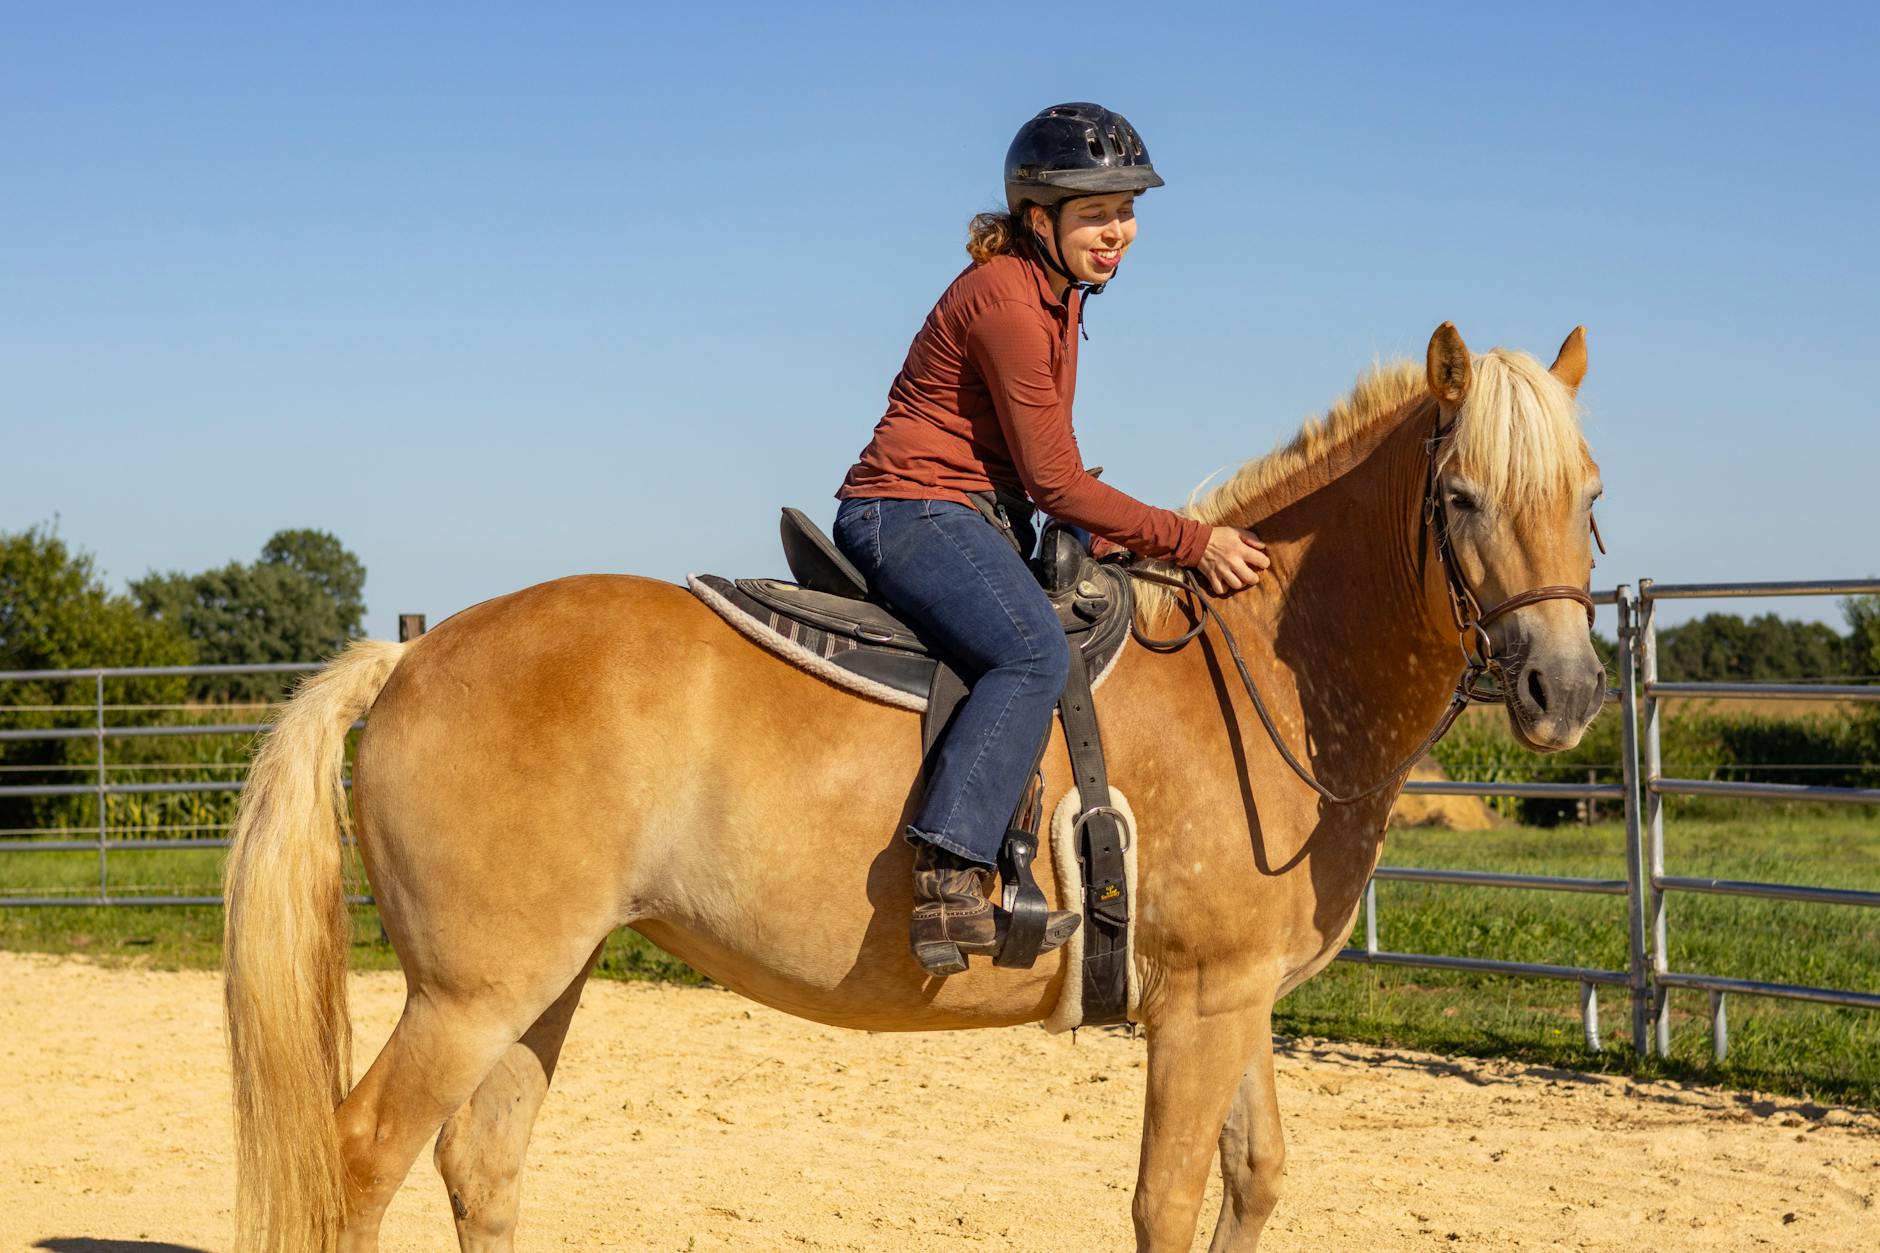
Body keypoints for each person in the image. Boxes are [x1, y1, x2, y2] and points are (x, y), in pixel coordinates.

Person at [833, 103, 1270, 976]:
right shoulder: (1007, 300)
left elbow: (1047, 479)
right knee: (1031, 652)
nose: (1120, 232)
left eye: (1128, 210)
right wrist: (1190, 541)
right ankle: (950, 878)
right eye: (1098, 212)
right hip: (910, 507)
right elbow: (1056, 480)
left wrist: (1100, 536)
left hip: (963, 508)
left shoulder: (1056, 298)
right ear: (1041, 218)